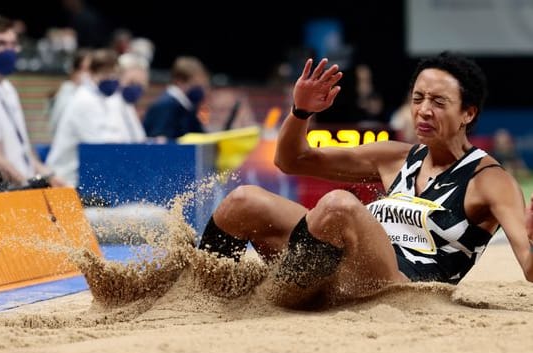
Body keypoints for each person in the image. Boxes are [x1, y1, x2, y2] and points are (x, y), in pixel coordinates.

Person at [197, 52, 533, 308]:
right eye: (417, 99)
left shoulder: (490, 180)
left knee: (339, 206)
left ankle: (278, 296)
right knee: (243, 202)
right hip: (336, 268)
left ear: (468, 113)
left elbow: (529, 267)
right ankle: (200, 296)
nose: (424, 110)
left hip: (401, 289)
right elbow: (290, 160)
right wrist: (301, 112)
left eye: (439, 102)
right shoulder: (396, 157)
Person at [0, 14, 67, 190]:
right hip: (9, 194)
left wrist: (50, 177)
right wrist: (28, 186)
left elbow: (25, 152)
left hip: (23, 187)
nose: (8, 50)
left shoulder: (8, 89)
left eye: (12, 44)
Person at [46, 48, 122, 187]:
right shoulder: (83, 99)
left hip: (85, 176)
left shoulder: (105, 99)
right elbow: (98, 144)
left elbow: (117, 134)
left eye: (114, 74)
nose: (111, 78)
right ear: (92, 73)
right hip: (65, 179)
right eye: (106, 73)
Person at [143, 55, 210, 141]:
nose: (199, 89)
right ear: (180, 81)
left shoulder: (187, 107)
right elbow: (159, 143)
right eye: (195, 83)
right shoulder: (166, 106)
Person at [48, 47, 91, 136]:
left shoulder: (92, 94)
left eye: (90, 70)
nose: (87, 74)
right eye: (84, 69)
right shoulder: (66, 93)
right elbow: (55, 126)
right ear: (73, 71)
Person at [106, 52, 148, 143]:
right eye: (131, 82)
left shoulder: (128, 106)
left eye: (139, 84)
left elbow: (139, 139)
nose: (135, 88)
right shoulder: (109, 102)